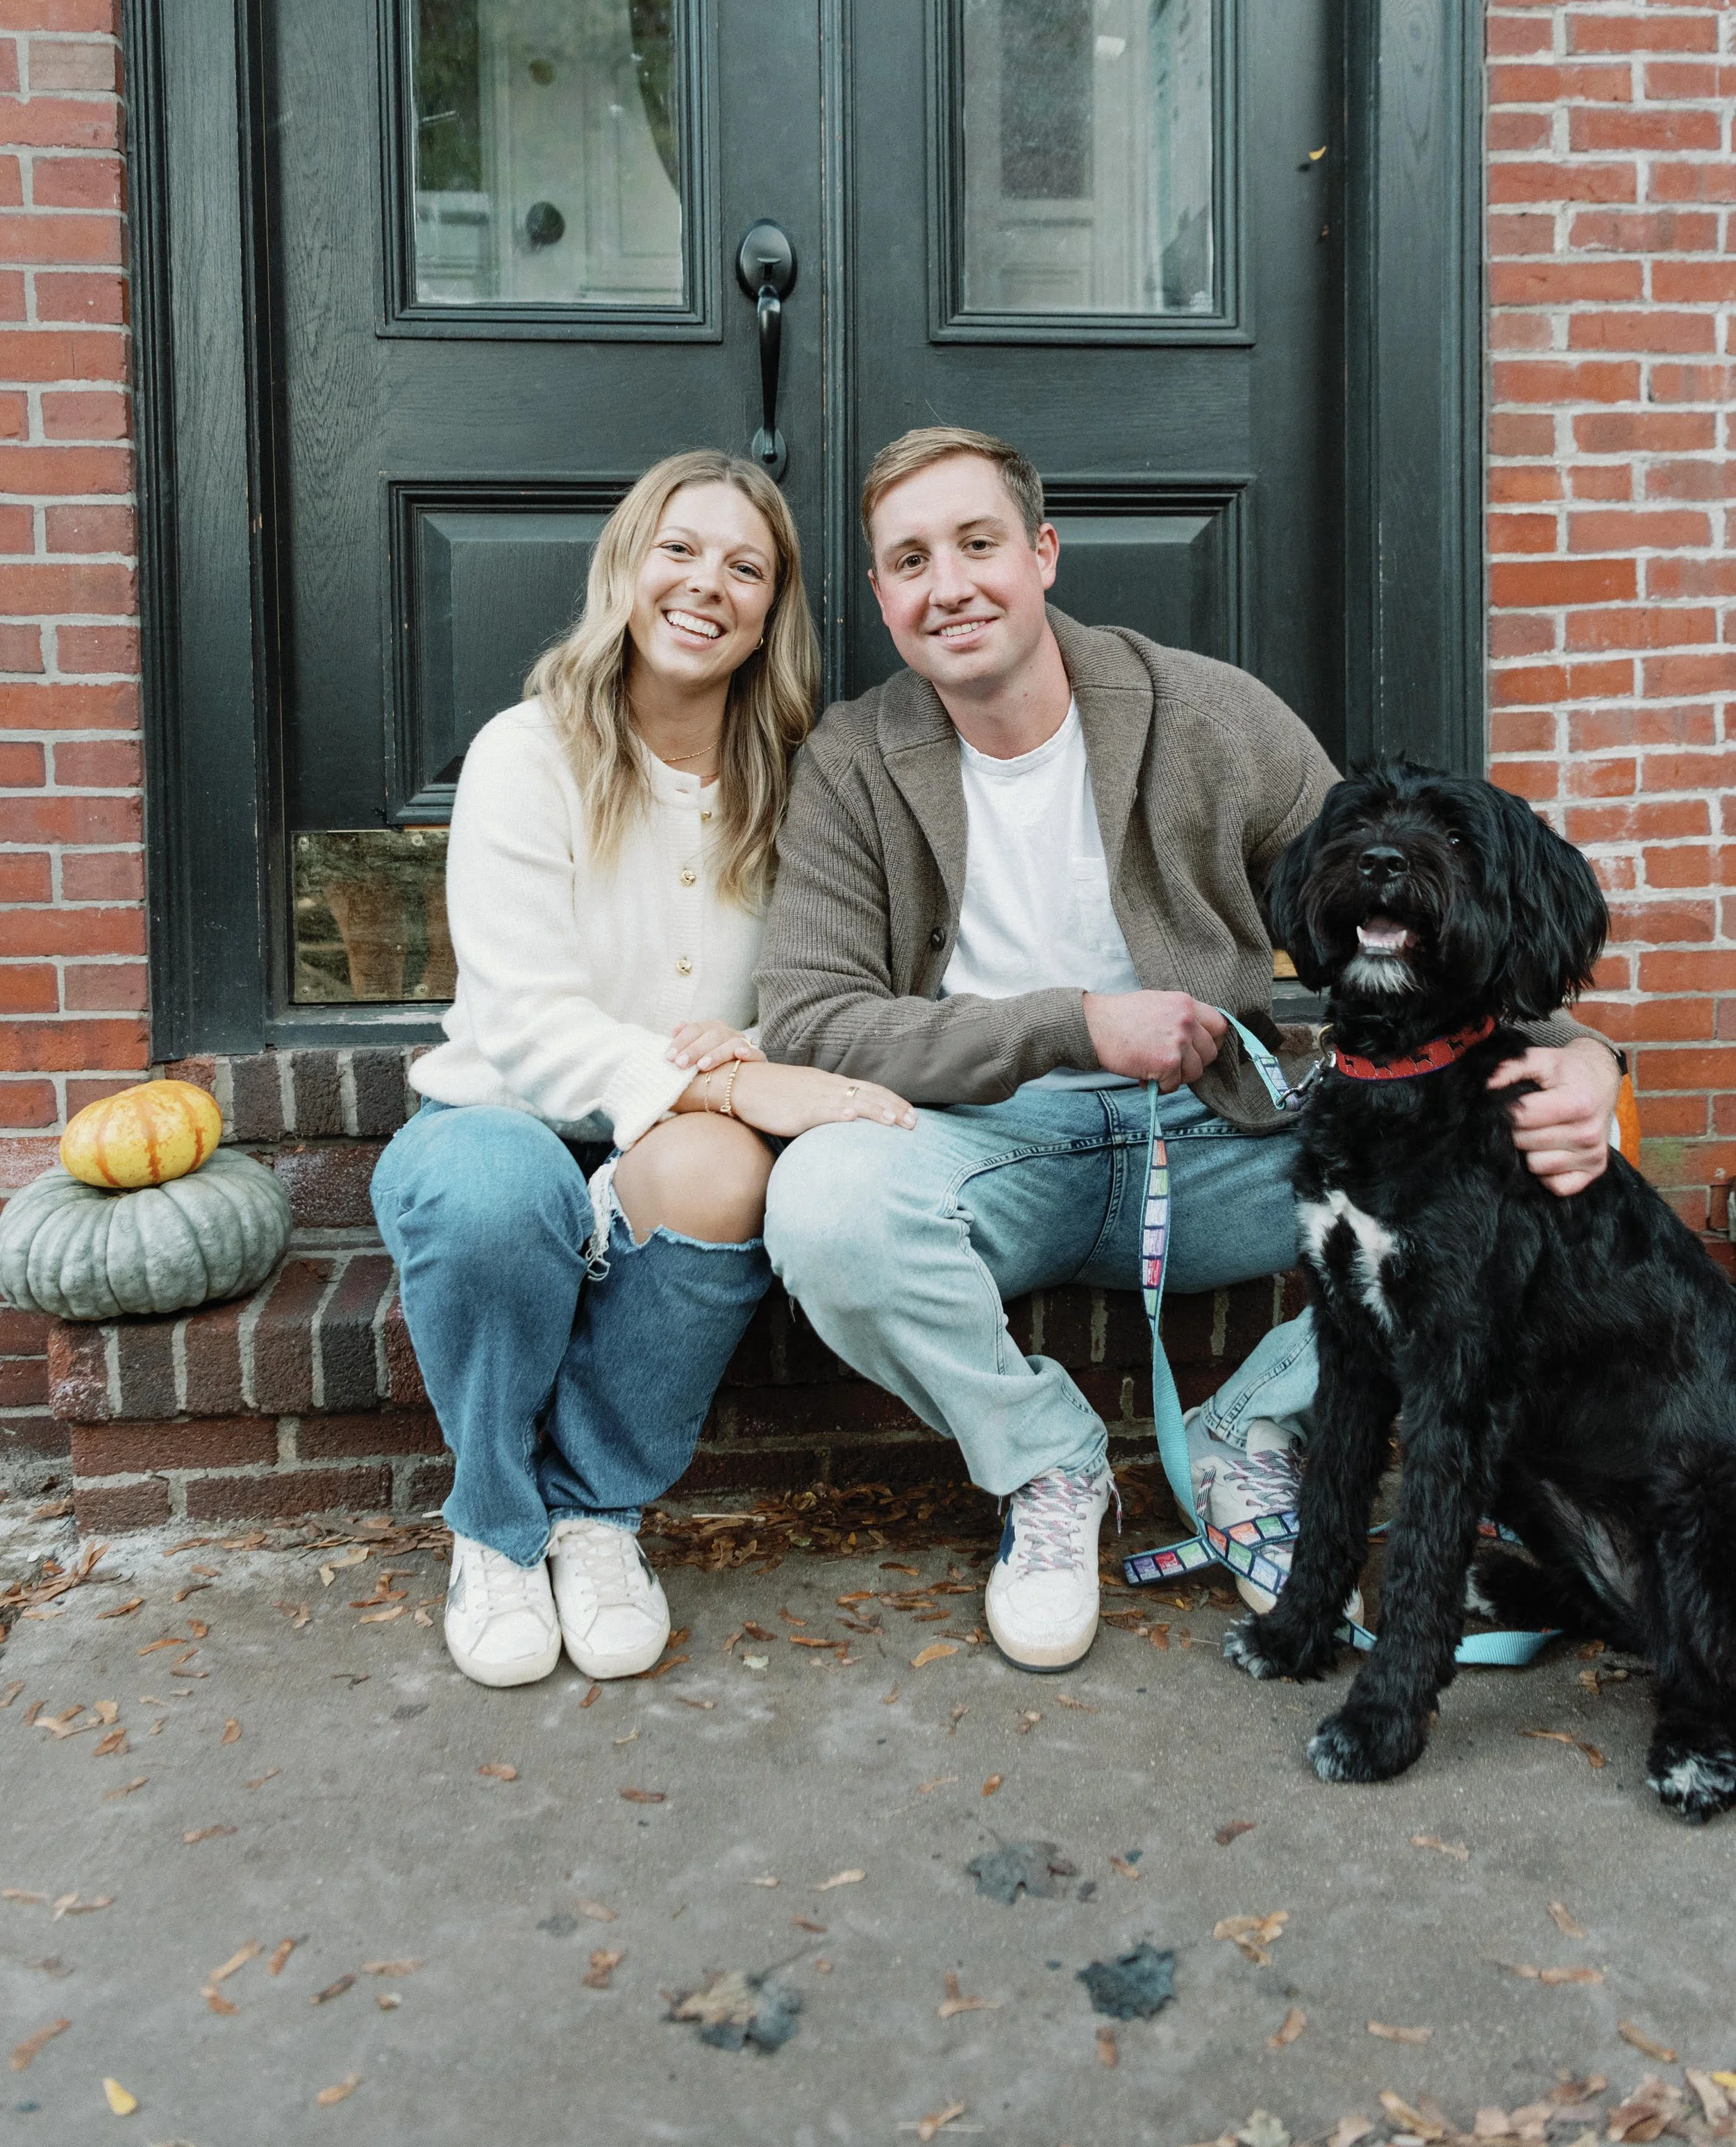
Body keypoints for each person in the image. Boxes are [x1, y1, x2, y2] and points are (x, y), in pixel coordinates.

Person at [757, 426, 1623, 1675]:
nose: (948, 584)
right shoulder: (850, 764)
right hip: (991, 1150)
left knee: (1532, 1165)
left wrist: (1580, 1049)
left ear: (1043, 554)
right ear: (882, 595)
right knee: (824, 1206)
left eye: (978, 543)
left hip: (1228, 1142)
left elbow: (1394, 910)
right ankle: (1050, 1472)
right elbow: (811, 1019)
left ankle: (1250, 1427)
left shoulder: (1209, 714)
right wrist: (1073, 1022)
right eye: (908, 560)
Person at [371, 451, 914, 1691]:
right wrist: (725, 1086)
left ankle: (592, 1513)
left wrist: (770, 1049)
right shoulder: (530, 750)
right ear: (625, 565)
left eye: (746, 567)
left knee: (726, 1175)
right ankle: (497, 1531)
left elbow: (843, 972)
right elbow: (516, 1018)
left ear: (772, 611)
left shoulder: (801, 777)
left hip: (669, 1146)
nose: (706, 584)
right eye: (680, 549)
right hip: (497, 1113)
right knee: (501, 1195)